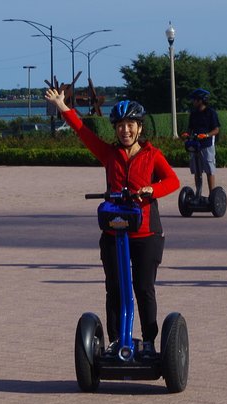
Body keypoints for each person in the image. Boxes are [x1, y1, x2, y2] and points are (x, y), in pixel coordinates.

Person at [44, 89, 180, 358]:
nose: (125, 130)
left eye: (130, 125)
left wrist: (152, 190)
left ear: (139, 128)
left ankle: (150, 342)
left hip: (146, 232)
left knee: (143, 288)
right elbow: (84, 133)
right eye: (120, 126)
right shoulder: (108, 154)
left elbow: (173, 181)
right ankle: (117, 340)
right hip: (114, 230)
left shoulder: (152, 155)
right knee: (115, 287)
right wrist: (62, 106)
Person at [184, 88, 220, 193]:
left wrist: (206, 135)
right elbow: (190, 128)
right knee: (197, 171)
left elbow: (216, 129)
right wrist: (187, 135)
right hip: (195, 145)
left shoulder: (211, 113)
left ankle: (212, 194)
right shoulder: (193, 113)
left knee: (209, 170)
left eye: (195, 100)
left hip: (207, 145)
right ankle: (198, 193)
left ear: (201, 100)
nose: (193, 102)